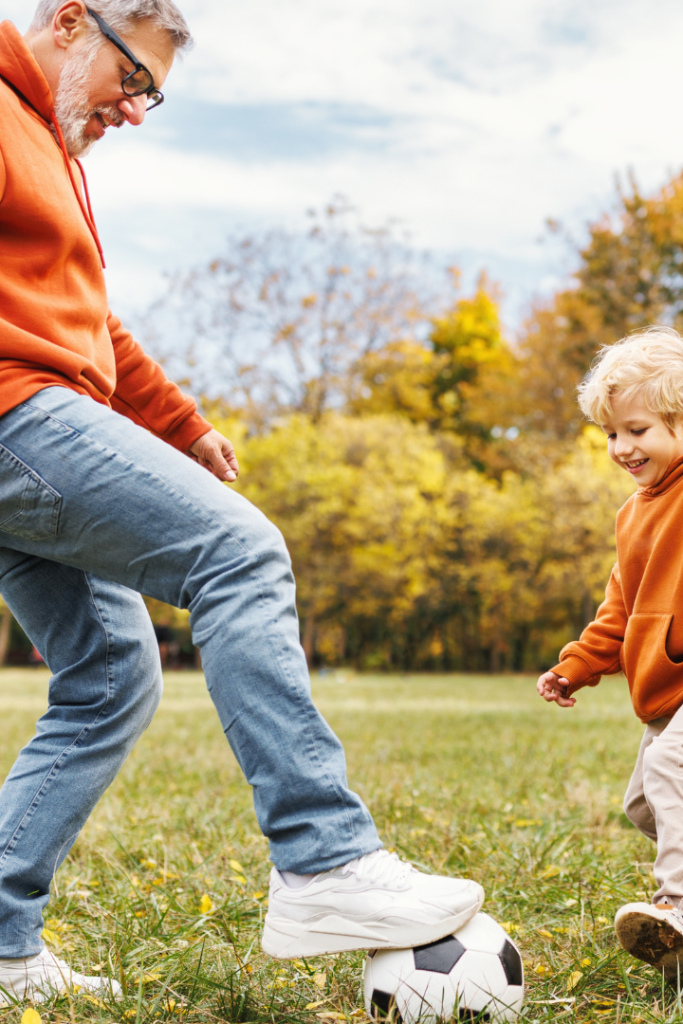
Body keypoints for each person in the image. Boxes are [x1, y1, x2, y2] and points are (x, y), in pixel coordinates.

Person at [0, 0, 484, 1005]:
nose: (137, 109)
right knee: (241, 554)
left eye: (155, 99)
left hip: (39, 414)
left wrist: (179, 421)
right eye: (133, 80)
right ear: (70, 23)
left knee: (111, 677)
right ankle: (322, 860)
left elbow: (92, 319)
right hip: (16, 415)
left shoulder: (52, 151)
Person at [537, 326, 683, 981]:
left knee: (674, 769)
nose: (621, 448)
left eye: (638, 430)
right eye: (610, 434)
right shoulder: (632, 517)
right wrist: (576, 664)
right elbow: (617, 611)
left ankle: (675, 906)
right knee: (645, 805)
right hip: (660, 692)